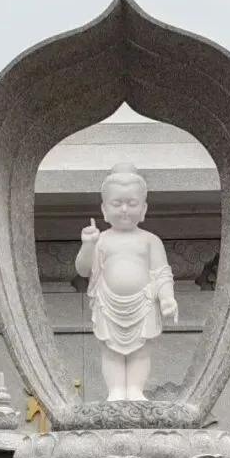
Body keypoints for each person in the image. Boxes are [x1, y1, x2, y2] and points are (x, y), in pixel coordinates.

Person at [75, 163, 178, 402]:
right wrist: (88, 245)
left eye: (132, 203)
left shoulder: (150, 240)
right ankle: (116, 390)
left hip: (143, 303)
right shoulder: (101, 240)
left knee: (141, 351)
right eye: (116, 203)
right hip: (108, 303)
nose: (124, 209)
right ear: (104, 209)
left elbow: (161, 273)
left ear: (144, 208)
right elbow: (83, 269)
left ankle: (134, 389)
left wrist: (167, 297)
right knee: (110, 350)